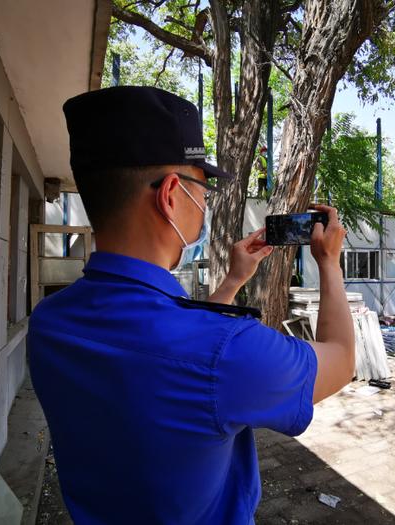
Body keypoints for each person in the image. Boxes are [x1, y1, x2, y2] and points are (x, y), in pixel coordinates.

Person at [28, 86, 355, 525]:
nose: (204, 203)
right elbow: (342, 358)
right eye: (202, 189)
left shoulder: (49, 322)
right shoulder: (228, 353)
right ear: (170, 195)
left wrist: (234, 280)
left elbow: (174, 352)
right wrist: (328, 262)